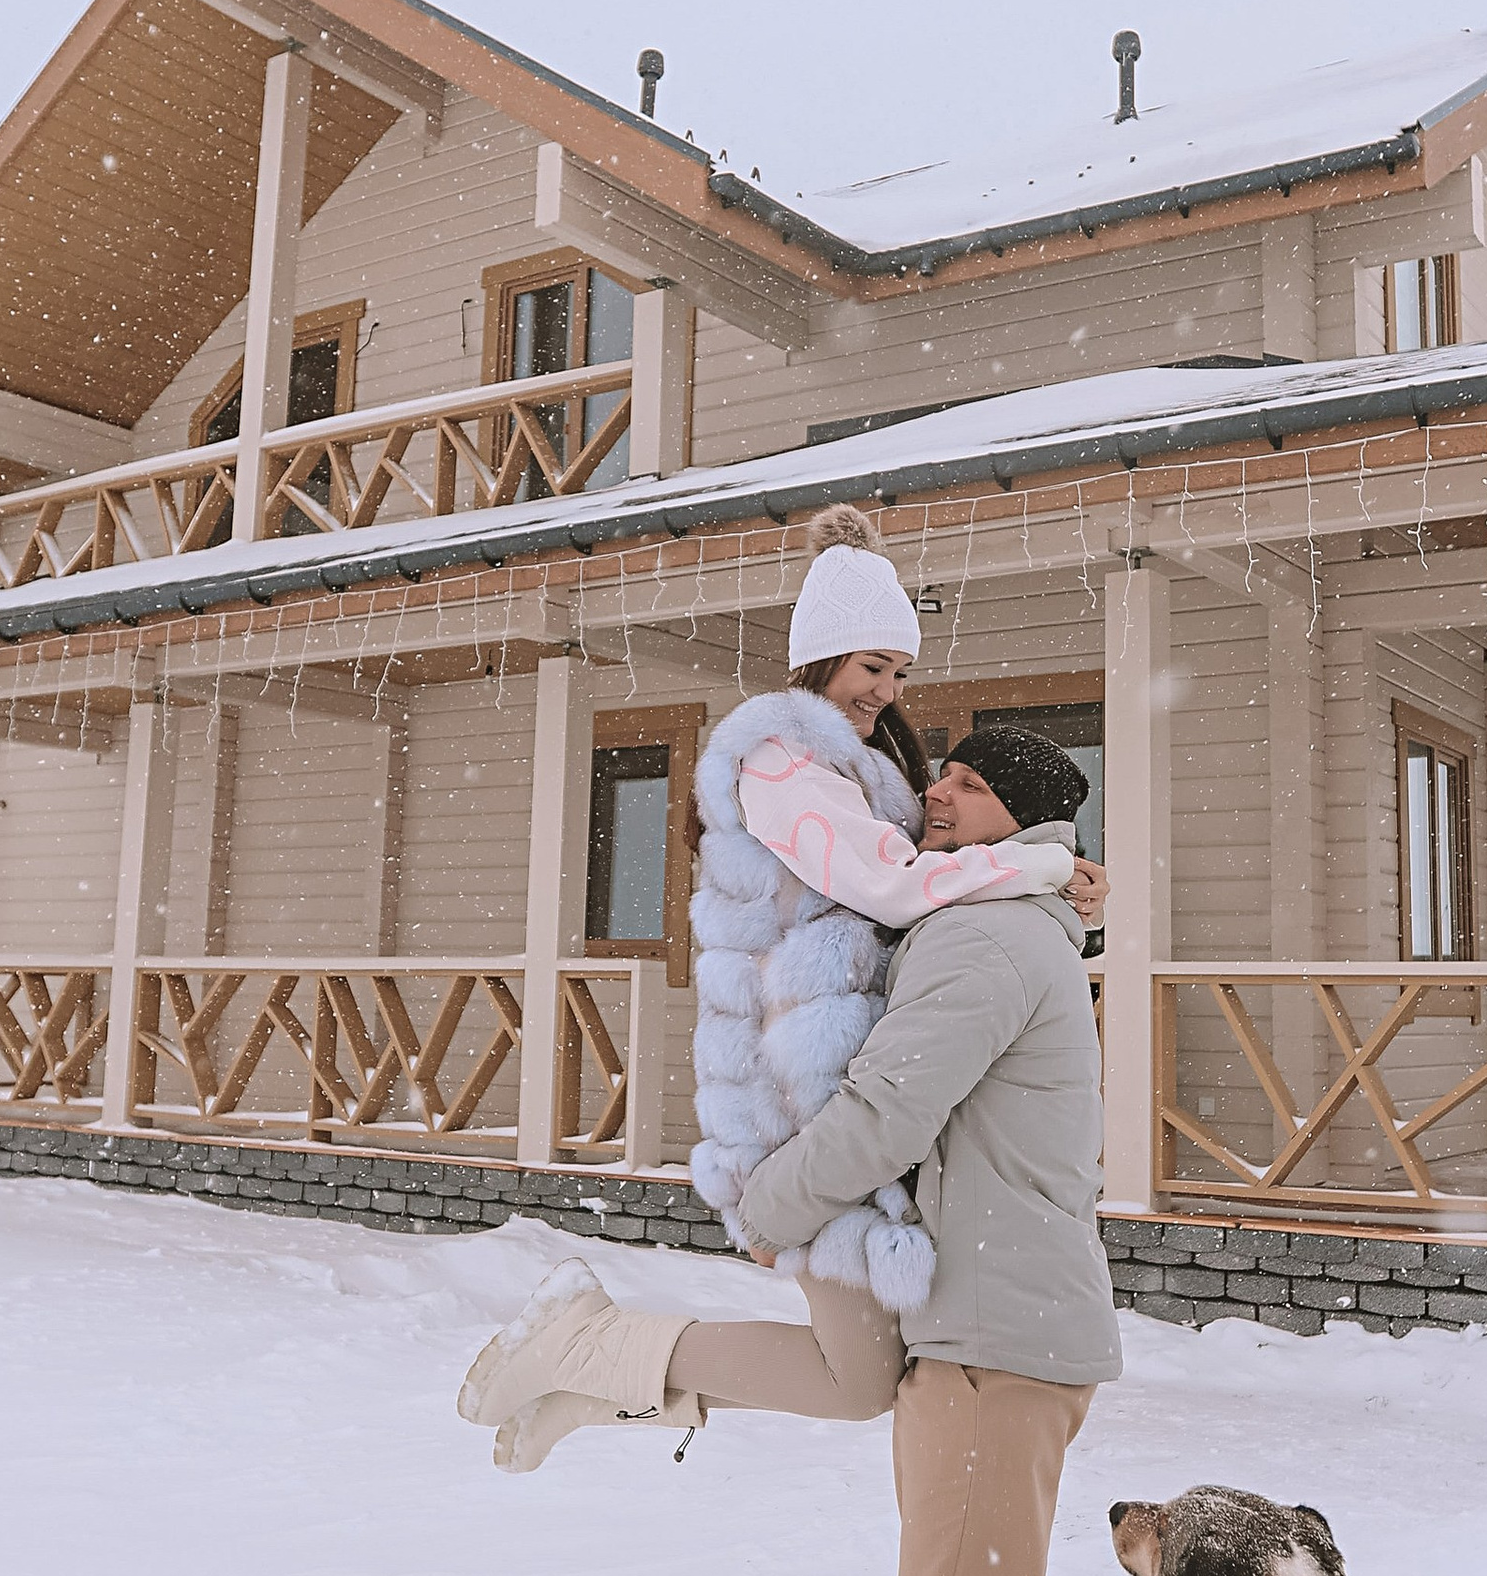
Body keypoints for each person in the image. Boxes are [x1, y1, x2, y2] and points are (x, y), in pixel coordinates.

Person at [456, 505, 1104, 1469]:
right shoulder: (781, 763)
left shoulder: (860, 773)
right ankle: (587, 1349)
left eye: (897, 673)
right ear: (821, 658)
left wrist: (1055, 878)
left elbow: (917, 885)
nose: (885, 691)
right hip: (801, 1097)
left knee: (863, 1379)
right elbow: (887, 883)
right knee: (858, 1382)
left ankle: (599, 1383)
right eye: (870, 668)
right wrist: (1035, 868)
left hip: (838, 1079)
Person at [735, 717, 1121, 1576]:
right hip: (996, 1330)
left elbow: (887, 1111)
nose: (937, 794)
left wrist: (768, 1205)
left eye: (967, 782)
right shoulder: (998, 920)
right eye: (938, 775)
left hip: (996, 1343)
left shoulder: (983, 934)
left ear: (1024, 817)